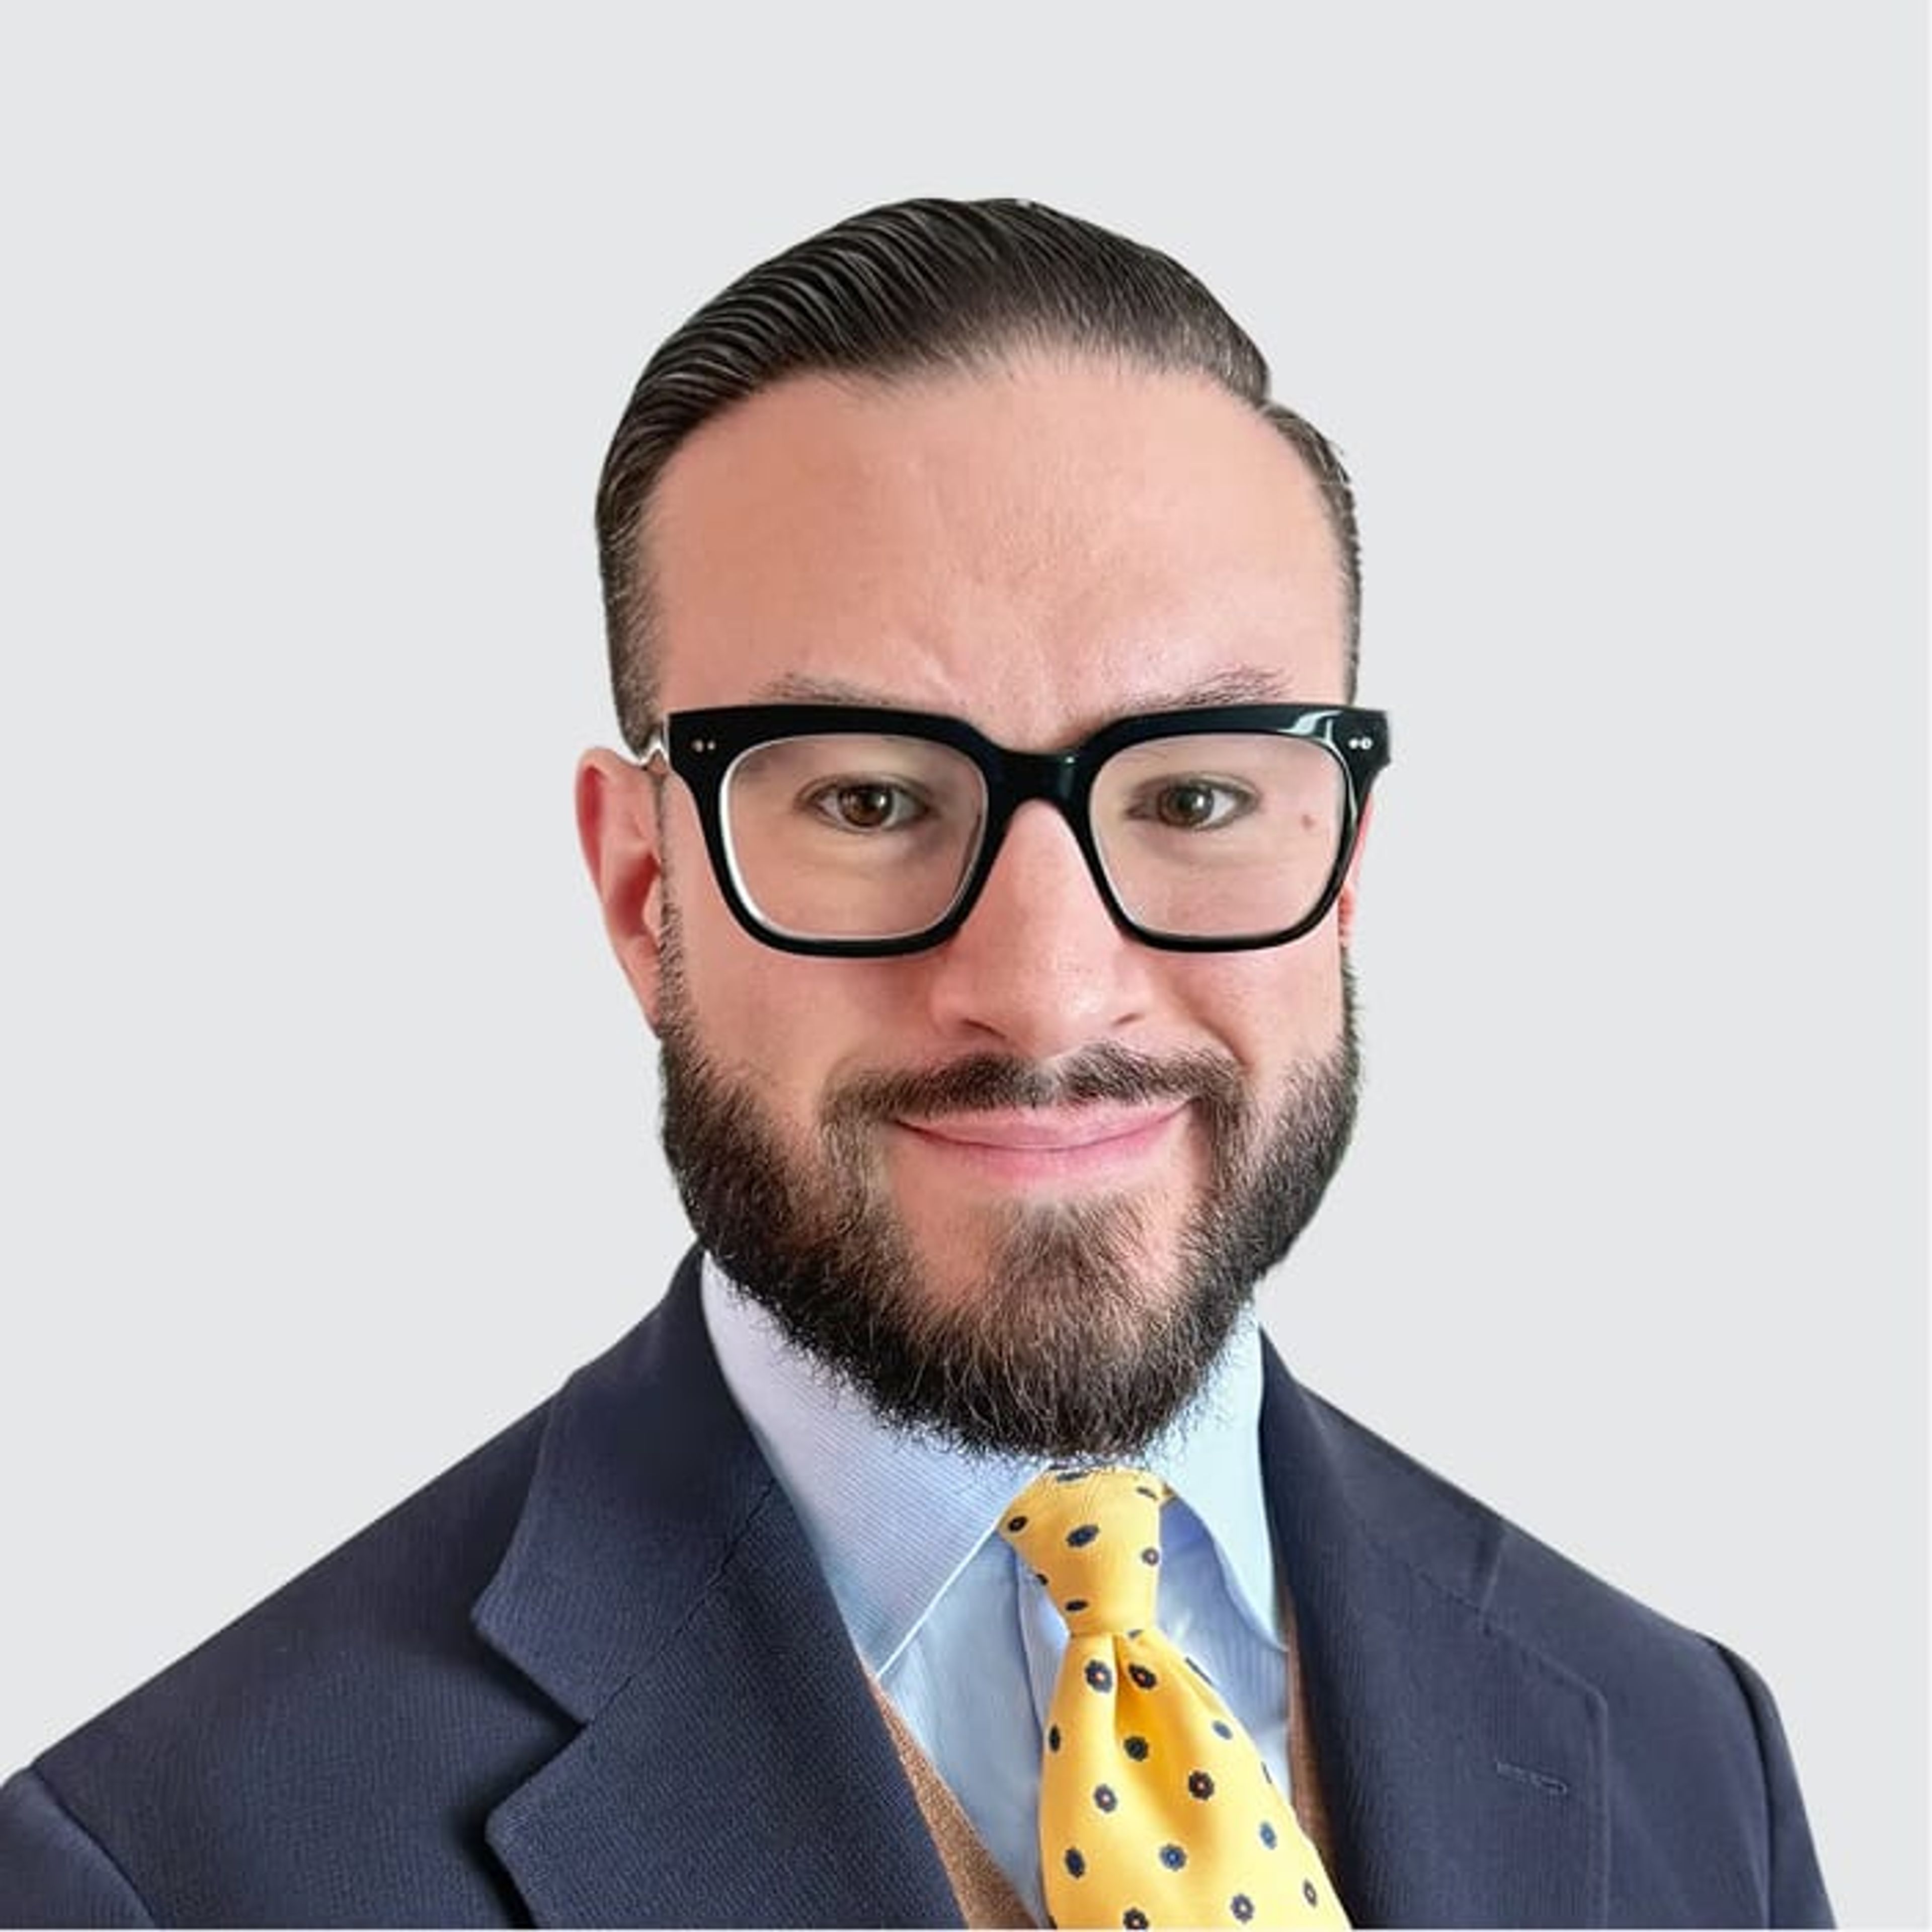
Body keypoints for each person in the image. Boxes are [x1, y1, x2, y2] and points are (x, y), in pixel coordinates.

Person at [0, 197, 1831, 1929]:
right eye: (871, 802)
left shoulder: (1687, 1755)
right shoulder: (166, 1874)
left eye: (1197, 797)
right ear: (645, 888)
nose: (1046, 995)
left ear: (1341, 866)